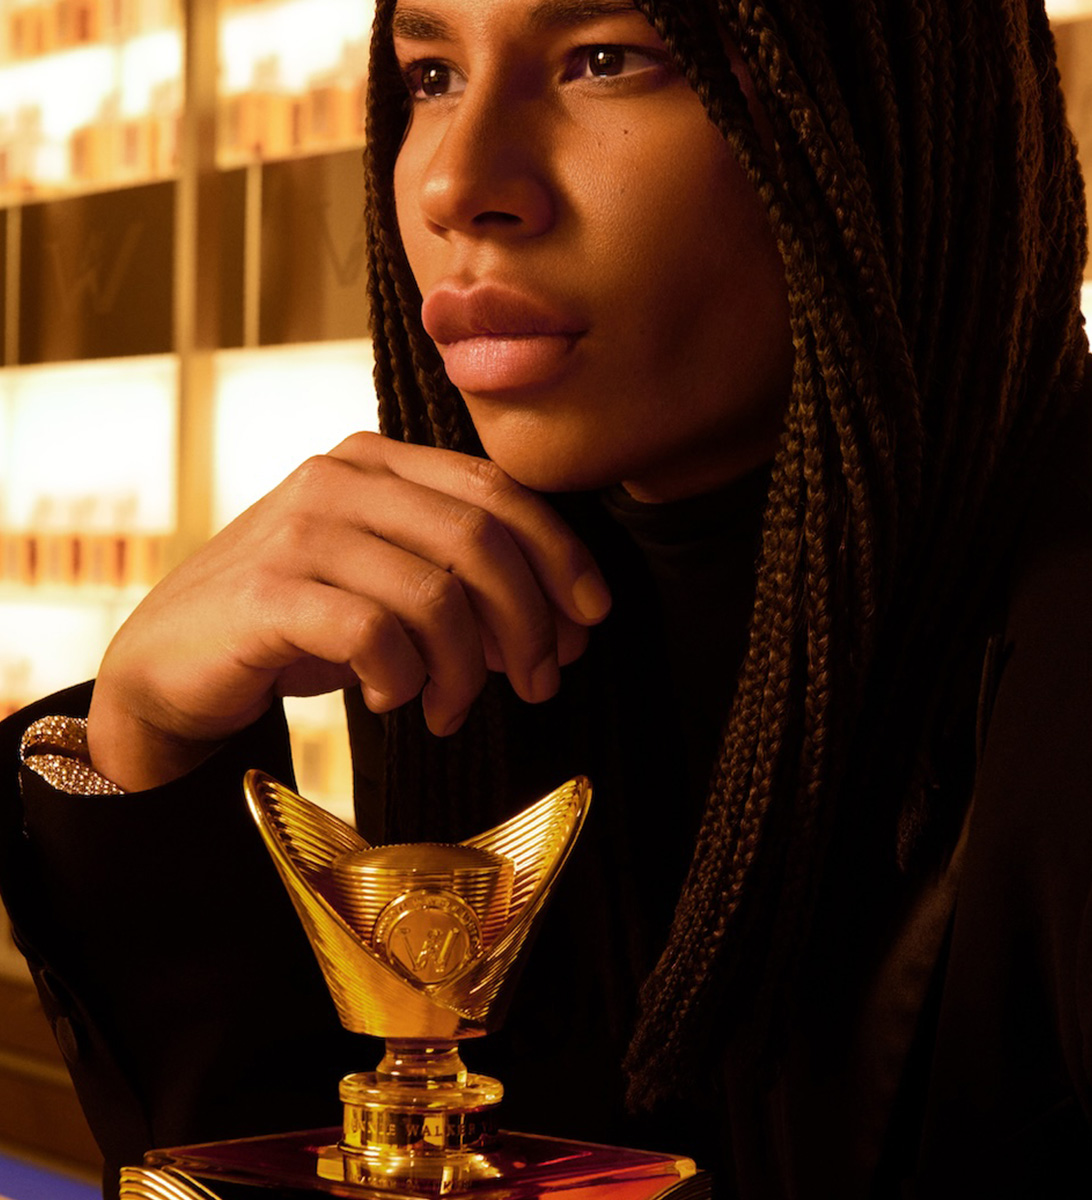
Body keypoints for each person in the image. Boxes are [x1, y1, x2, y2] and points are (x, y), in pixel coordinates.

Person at [2, 0, 1092, 1196]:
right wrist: (144, 746)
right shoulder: (481, 627)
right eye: (427, 74)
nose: (455, 183)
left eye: (604, 60)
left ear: (876, 127)